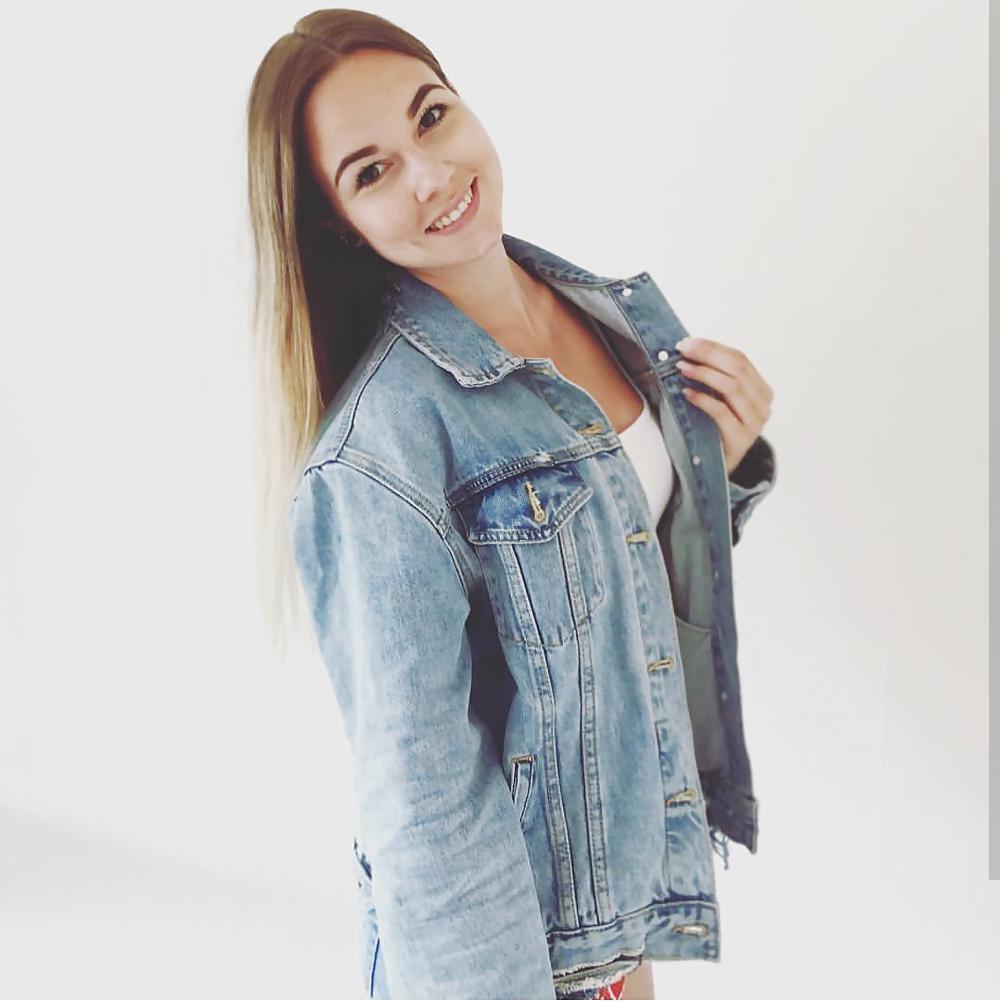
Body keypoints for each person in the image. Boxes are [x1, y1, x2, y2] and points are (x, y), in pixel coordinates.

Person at [246, 9, 777, 1000]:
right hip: (514, 957)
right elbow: (426, 807)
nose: (431, 173)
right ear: (337, 222)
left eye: (431, 116)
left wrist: (719, 468)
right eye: (372, 171)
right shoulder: (378, 455)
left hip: (617, 910)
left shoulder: (603, 313)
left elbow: (612, 596)